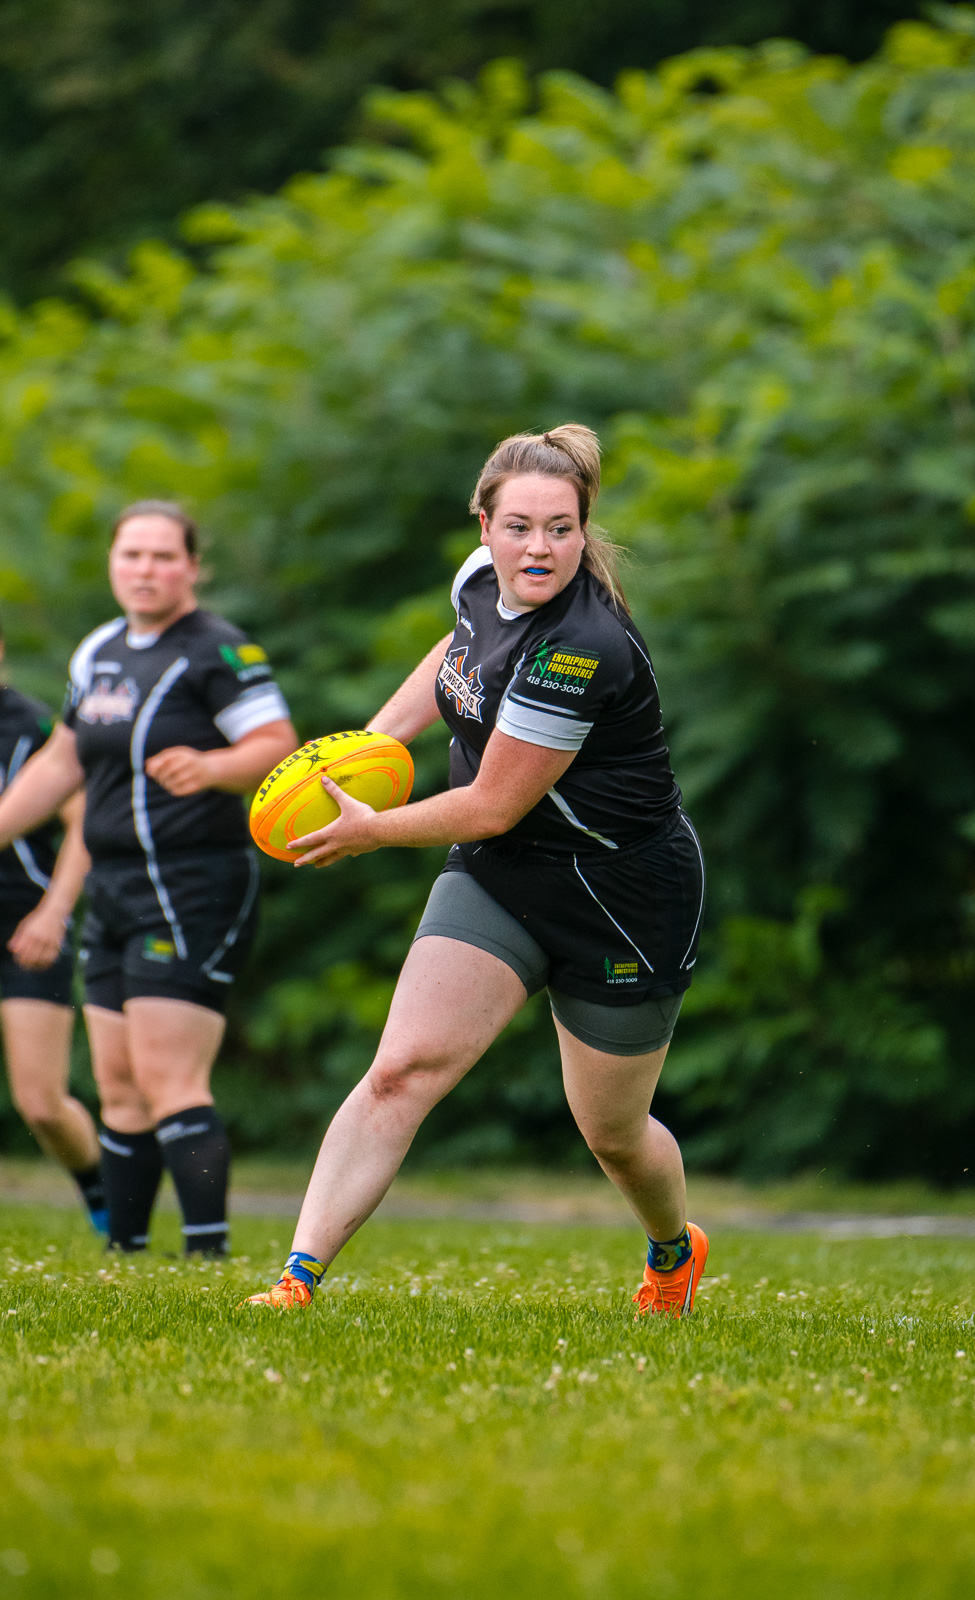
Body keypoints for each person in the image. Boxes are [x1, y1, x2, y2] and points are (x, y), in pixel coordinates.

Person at [248, 423, 708, 1316]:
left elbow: (493, 802)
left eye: (561, 529)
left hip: (621, 898)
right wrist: (372, 746)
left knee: (611, 1134)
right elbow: (454, 653)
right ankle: (297, 1280)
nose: (539, 548)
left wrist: (372, 828)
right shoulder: (477, 579)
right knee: (402, 1068)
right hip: (500, 875)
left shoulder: (580, 649)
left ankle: (671, 1249)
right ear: (486, 525)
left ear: (584, 531)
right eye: (521, 526)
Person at [0, 502, 297, 1257]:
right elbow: (60, 763)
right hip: (115, 886)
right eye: (132, 554)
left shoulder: (219, 651)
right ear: (113, 563)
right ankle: (126, 1250)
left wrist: (212, 767)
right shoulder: (98, 650)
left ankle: (206, 1251)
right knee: (119, 1087)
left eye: (164, 556)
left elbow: (276, 745)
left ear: (192, 567)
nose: (146, 569)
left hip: (193, 883)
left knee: (169, 1077)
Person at [0, 591, 103, 1232]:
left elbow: (83, 820)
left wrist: (54, 912)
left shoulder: (35, 729)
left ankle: (98, 1194)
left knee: (39, 1103)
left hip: (30, 922)